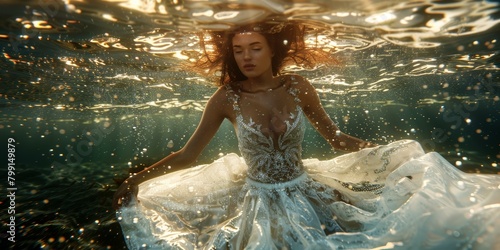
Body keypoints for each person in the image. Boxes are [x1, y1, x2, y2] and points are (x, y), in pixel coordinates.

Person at [113, 21, 500, 249]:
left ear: (271, 50)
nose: (246, 57)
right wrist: (136, 179)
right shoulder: (225, 98)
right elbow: (187, 155)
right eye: (239, 50)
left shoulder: (298, 86)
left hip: (305, 187)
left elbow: (335, 138)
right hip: (258, 197)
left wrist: (381, 152)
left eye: (254, 48)